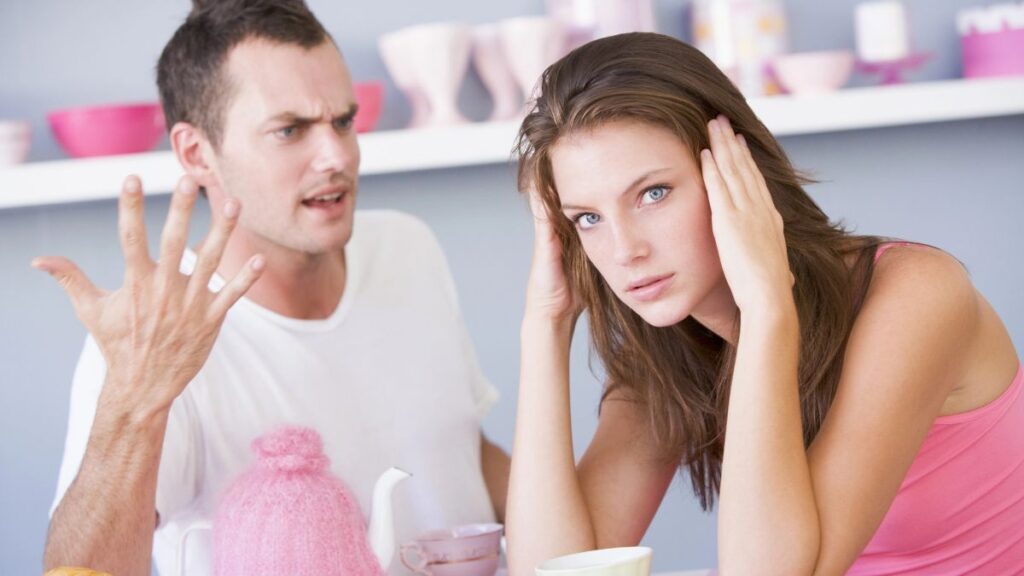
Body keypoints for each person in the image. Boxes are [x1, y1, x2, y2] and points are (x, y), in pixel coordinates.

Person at [506, 32, 1023, 575]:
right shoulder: (668, 352)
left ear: (739, 170)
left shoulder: (914, 295)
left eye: (653, 193)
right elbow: (558, 569)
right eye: (588, 217)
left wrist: (767, 305)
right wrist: (545, 323)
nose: (625, 250)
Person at [38, 2, 509, 575]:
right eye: (290, 130)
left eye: (343, 120)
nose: (338, 156)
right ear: (196, 153)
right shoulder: (152, 337)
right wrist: (134, 406)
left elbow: (460, 453)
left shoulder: (409, 248)